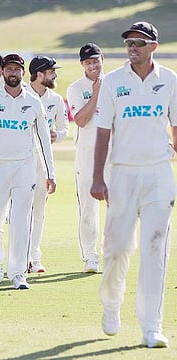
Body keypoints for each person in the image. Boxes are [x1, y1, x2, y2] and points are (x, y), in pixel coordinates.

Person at [90, 21, 177, 348]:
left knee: (156, 249)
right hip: (122, 174)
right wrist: (98, 177)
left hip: (158, 174)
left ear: (153, 45)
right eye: (129, 43)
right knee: (117, 249)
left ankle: (151, 326)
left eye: (139, 43)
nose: (132, 48)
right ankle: (111, 305)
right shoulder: (113, 82)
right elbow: (102, 133)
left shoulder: (170, 80)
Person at [0, 53, 56, 289]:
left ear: (22, 73)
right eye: (8, 69)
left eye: (16, 69)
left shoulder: (33, 102)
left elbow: (43, 141)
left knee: (21, 220)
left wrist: (51, 174)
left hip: (24, 167)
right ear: (3, 72)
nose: (12, 73)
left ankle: (18, 273)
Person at [67, 43, 106, 273]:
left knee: (118, 207)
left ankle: (112, 253)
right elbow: (81, 119)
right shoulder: (75, 88)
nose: (93, 65)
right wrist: (97, 93)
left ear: (102, 59)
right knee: (88, 209)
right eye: (88, 62)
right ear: (82, 65)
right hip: (87, 155)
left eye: (95, 60)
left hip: (113, 154)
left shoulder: (117, 83)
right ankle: (90, 257)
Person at [26, 56, 68, 273]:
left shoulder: (56, 99)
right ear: (39, 74)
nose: (55, 75)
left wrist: (56, 136)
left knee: (39, 211)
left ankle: (35, 256)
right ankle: (20, 258)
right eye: (52, 72)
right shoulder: (21, 94)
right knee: (20, 211)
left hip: (43, 161)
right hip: (20, 160)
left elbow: (64, 129)